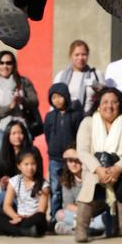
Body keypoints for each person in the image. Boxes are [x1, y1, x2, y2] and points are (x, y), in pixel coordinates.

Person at [75, 87, 122, 242]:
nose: (109, 106)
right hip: (94, 169)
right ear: (98, 105)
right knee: (91, 184)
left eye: (114, 102)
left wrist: (117, 168)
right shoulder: (88, 122)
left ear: (120, 105)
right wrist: (98, 169)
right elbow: (82, 151)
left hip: (121, 168)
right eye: (105, 102)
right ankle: (81, 229)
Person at [0, 147, 49, 237]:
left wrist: (25, 218)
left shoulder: (43, 184)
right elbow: (6, 205)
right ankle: (23, 231)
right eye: (26, 164)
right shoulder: (14, 181)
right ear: (19, 166)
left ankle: (5, 230)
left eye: (33, 164)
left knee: (40, 217)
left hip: (33, 219)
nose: (30, 168)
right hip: (18, 218)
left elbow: (41, 210)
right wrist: (16, 217)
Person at [0, 50, 40, 150]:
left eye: (8, 63)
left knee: (25, 159)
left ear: (14, 65)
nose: (5, 66)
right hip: (2, 129)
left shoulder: (23, 82)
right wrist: (9, 107)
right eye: (1, 63)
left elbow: (35, 102)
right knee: (4, 162)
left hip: (23, 128)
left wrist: (22, 100)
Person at [44, 83, 84, 218]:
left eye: (60, 97)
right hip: (55, 159)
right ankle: (55, 216)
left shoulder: (76, 115)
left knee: (70, 185)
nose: (57, 100)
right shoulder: (49, 116)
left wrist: (74, 153)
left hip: (71, 160)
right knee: (55, 189)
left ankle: (73, 213)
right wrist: (52, 149)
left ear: (66, 97)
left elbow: (79, 135)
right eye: (54, 97)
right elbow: (47, 135)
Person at [54, 147, 108, 236]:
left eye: (77, 161)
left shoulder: (93, 176)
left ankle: (76, 229)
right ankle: (89, 229)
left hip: (95, 214)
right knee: (59, 214)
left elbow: (100, 203)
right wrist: (83, 214)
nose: (74, 164)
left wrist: (89, 213)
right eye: (70, 161)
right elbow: (68, 205)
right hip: (78, 214)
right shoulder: (66, 180)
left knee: (106, 218)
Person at [0, 119, 33, 212]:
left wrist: (12, 181)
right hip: (8, 192)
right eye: (13, 133)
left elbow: (34, 176)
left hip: (27, 192)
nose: (17, 137)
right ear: (8, 136)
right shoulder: (3, 154)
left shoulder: (31, 153)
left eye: (20, 133)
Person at [53, 40, 103, 114]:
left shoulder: (96, 74)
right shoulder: (60, 76)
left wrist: (98, 87)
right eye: (77, 55)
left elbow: (106, 95)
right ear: (70, 56)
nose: (80, 58)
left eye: (84, 54)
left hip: (89, 118)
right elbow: (54, 99)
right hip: (67, 118)